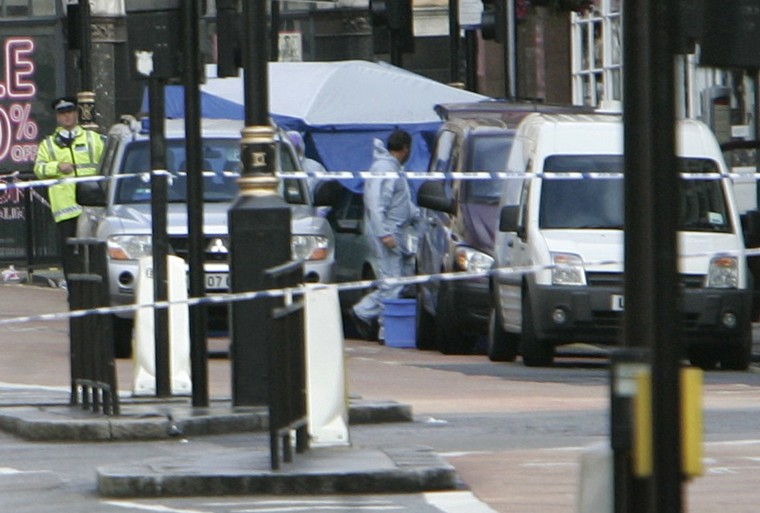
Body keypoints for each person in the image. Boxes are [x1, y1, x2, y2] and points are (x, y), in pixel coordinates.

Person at [350, 129, 419, 340]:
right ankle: (375, 321)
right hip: (389, 233)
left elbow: (402, 203)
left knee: (400, 280)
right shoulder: (385, 170)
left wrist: (418, 216)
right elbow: (376, 204)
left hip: (397, 232)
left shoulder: (394, 170)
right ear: (406, 148)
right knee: (392, 281)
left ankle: (378, 321)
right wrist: (384, 233)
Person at [34, 96, 104, 283]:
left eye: (70, 112)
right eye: (62, 113)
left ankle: (94, 289)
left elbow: (106, 166)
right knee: (70, 256)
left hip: (92, 207)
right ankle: (74, 291)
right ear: (57, 117)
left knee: (94, 250)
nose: (67, 117)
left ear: (76, 113)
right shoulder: (48, 144)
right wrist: (57, 167)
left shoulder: (93, 139)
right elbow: (39, 169)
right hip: (65, 210)